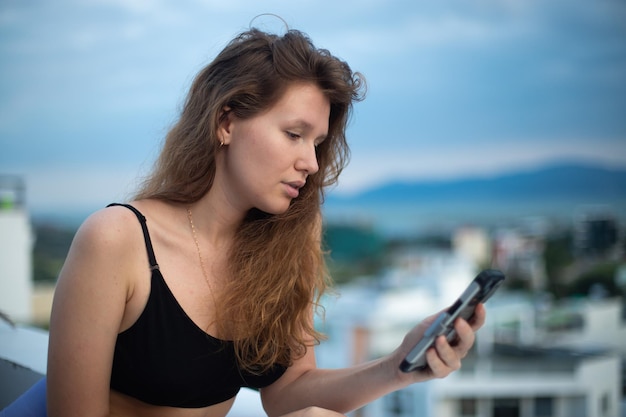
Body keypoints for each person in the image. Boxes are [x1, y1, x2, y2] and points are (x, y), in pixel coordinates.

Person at [2, 24, 485, 417]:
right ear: (226, 121)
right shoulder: (117, 240)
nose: (312, 164)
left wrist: (399, 366)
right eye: (294, 134)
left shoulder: (285, 242)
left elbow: (290, 391)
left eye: (316, 144)